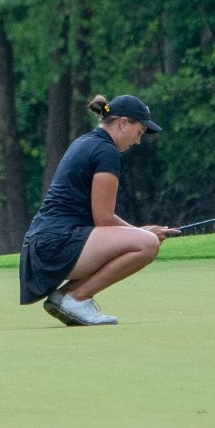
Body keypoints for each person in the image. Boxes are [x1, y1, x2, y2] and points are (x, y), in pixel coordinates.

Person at [19, 94, 179, 326]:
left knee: (143, 239)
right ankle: (77, 298)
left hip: (44, 245)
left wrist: (138, 231)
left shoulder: (86, 142)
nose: (137, 141)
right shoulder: (106, 151)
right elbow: (103, 219)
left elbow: (100, 222)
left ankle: (65, 297)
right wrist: (141, 234)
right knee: (148, 245)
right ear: (124, 123)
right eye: (139, 132)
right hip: (54, 244)